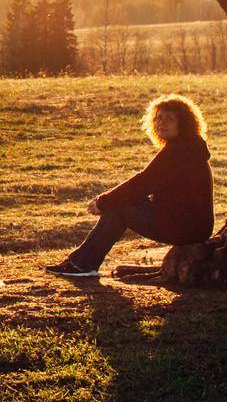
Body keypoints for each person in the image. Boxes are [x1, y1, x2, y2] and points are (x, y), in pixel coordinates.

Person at [46, 94, 215, 278]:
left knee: (120, 207)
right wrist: (109, 201)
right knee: (121, 204)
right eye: (158, 118)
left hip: (186, 227)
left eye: (170, 118)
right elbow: (144, 186)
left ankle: (82, 264)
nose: (162, 123)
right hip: (186, 223)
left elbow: (142, 183)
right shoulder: (185, 147)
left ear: (184, 123)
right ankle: (81, 263)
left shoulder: (180, 151)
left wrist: (103, 202)